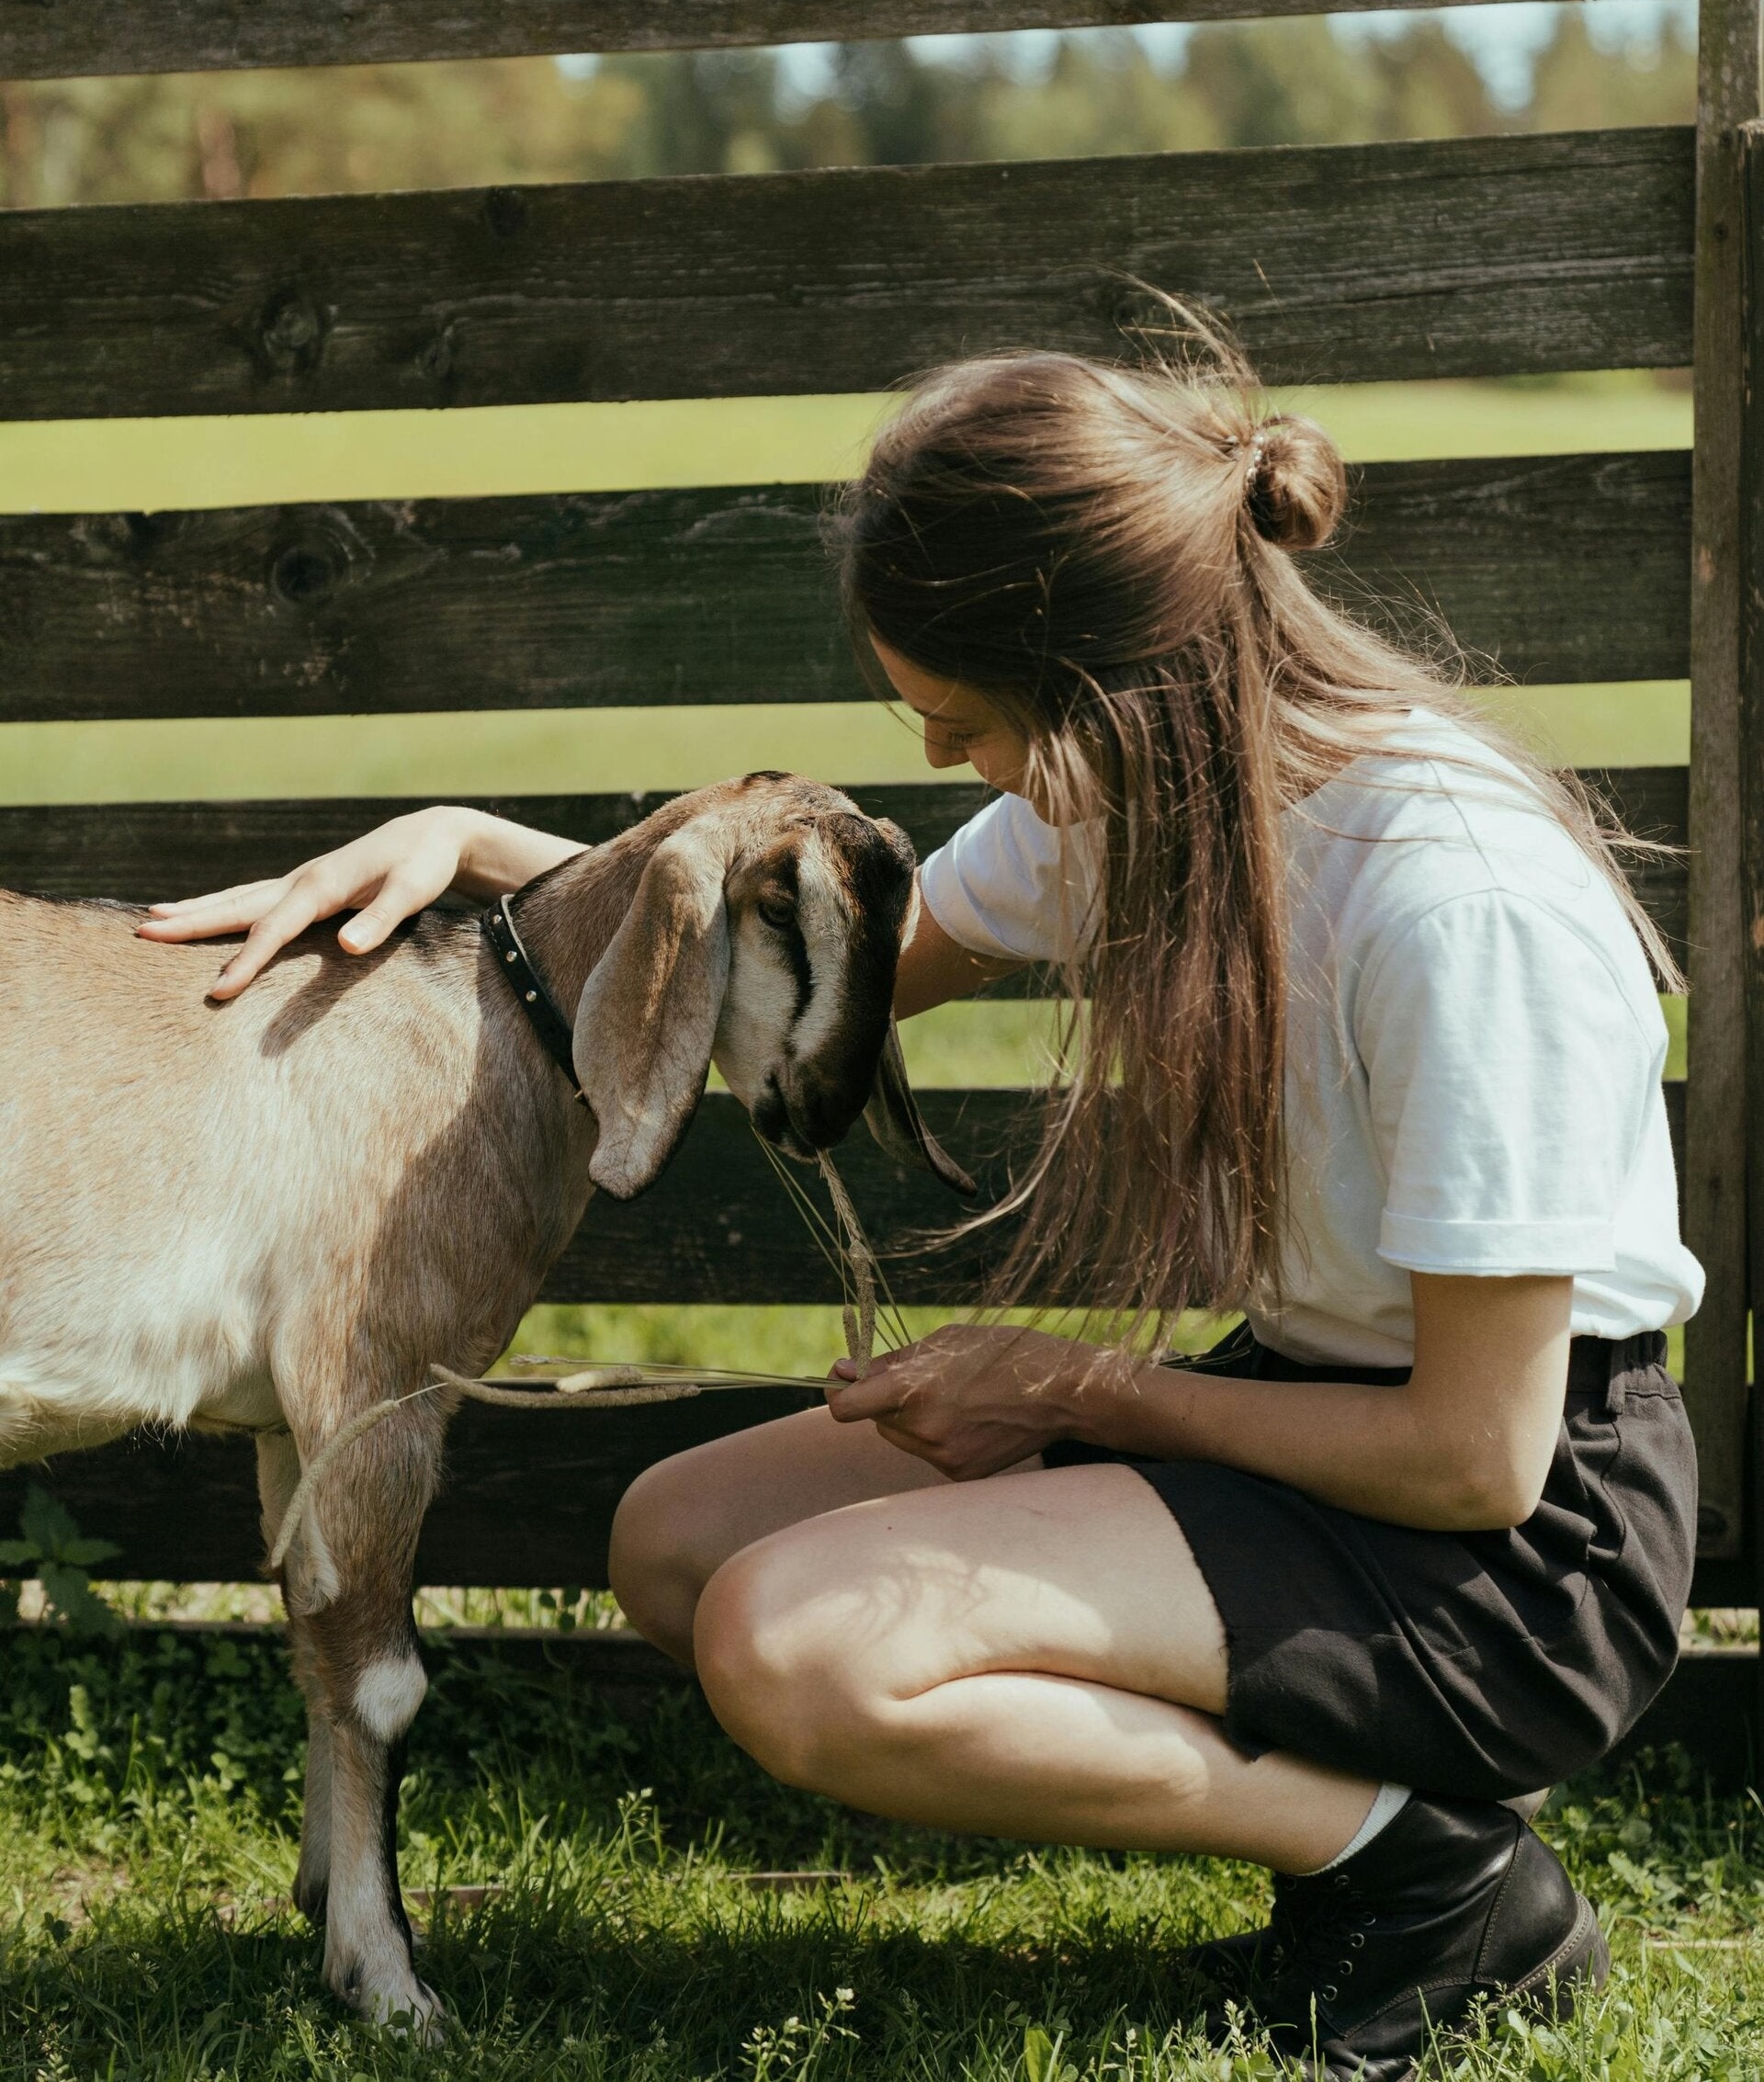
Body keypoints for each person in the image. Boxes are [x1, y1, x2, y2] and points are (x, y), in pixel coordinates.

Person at [142, 334, 1701, 2079]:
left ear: (1100, 681)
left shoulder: (1454, 906)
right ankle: (1364, 1813)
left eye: (964, 721)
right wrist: (474, 846)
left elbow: (1478, 1458)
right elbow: (826, 960)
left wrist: (1071, 1386)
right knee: (678, 1541)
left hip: (1520, 1549)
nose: (950, 765)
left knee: (798, 1651)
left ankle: (1428, 1874)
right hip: (1302, 1413)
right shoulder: (1126, 790)